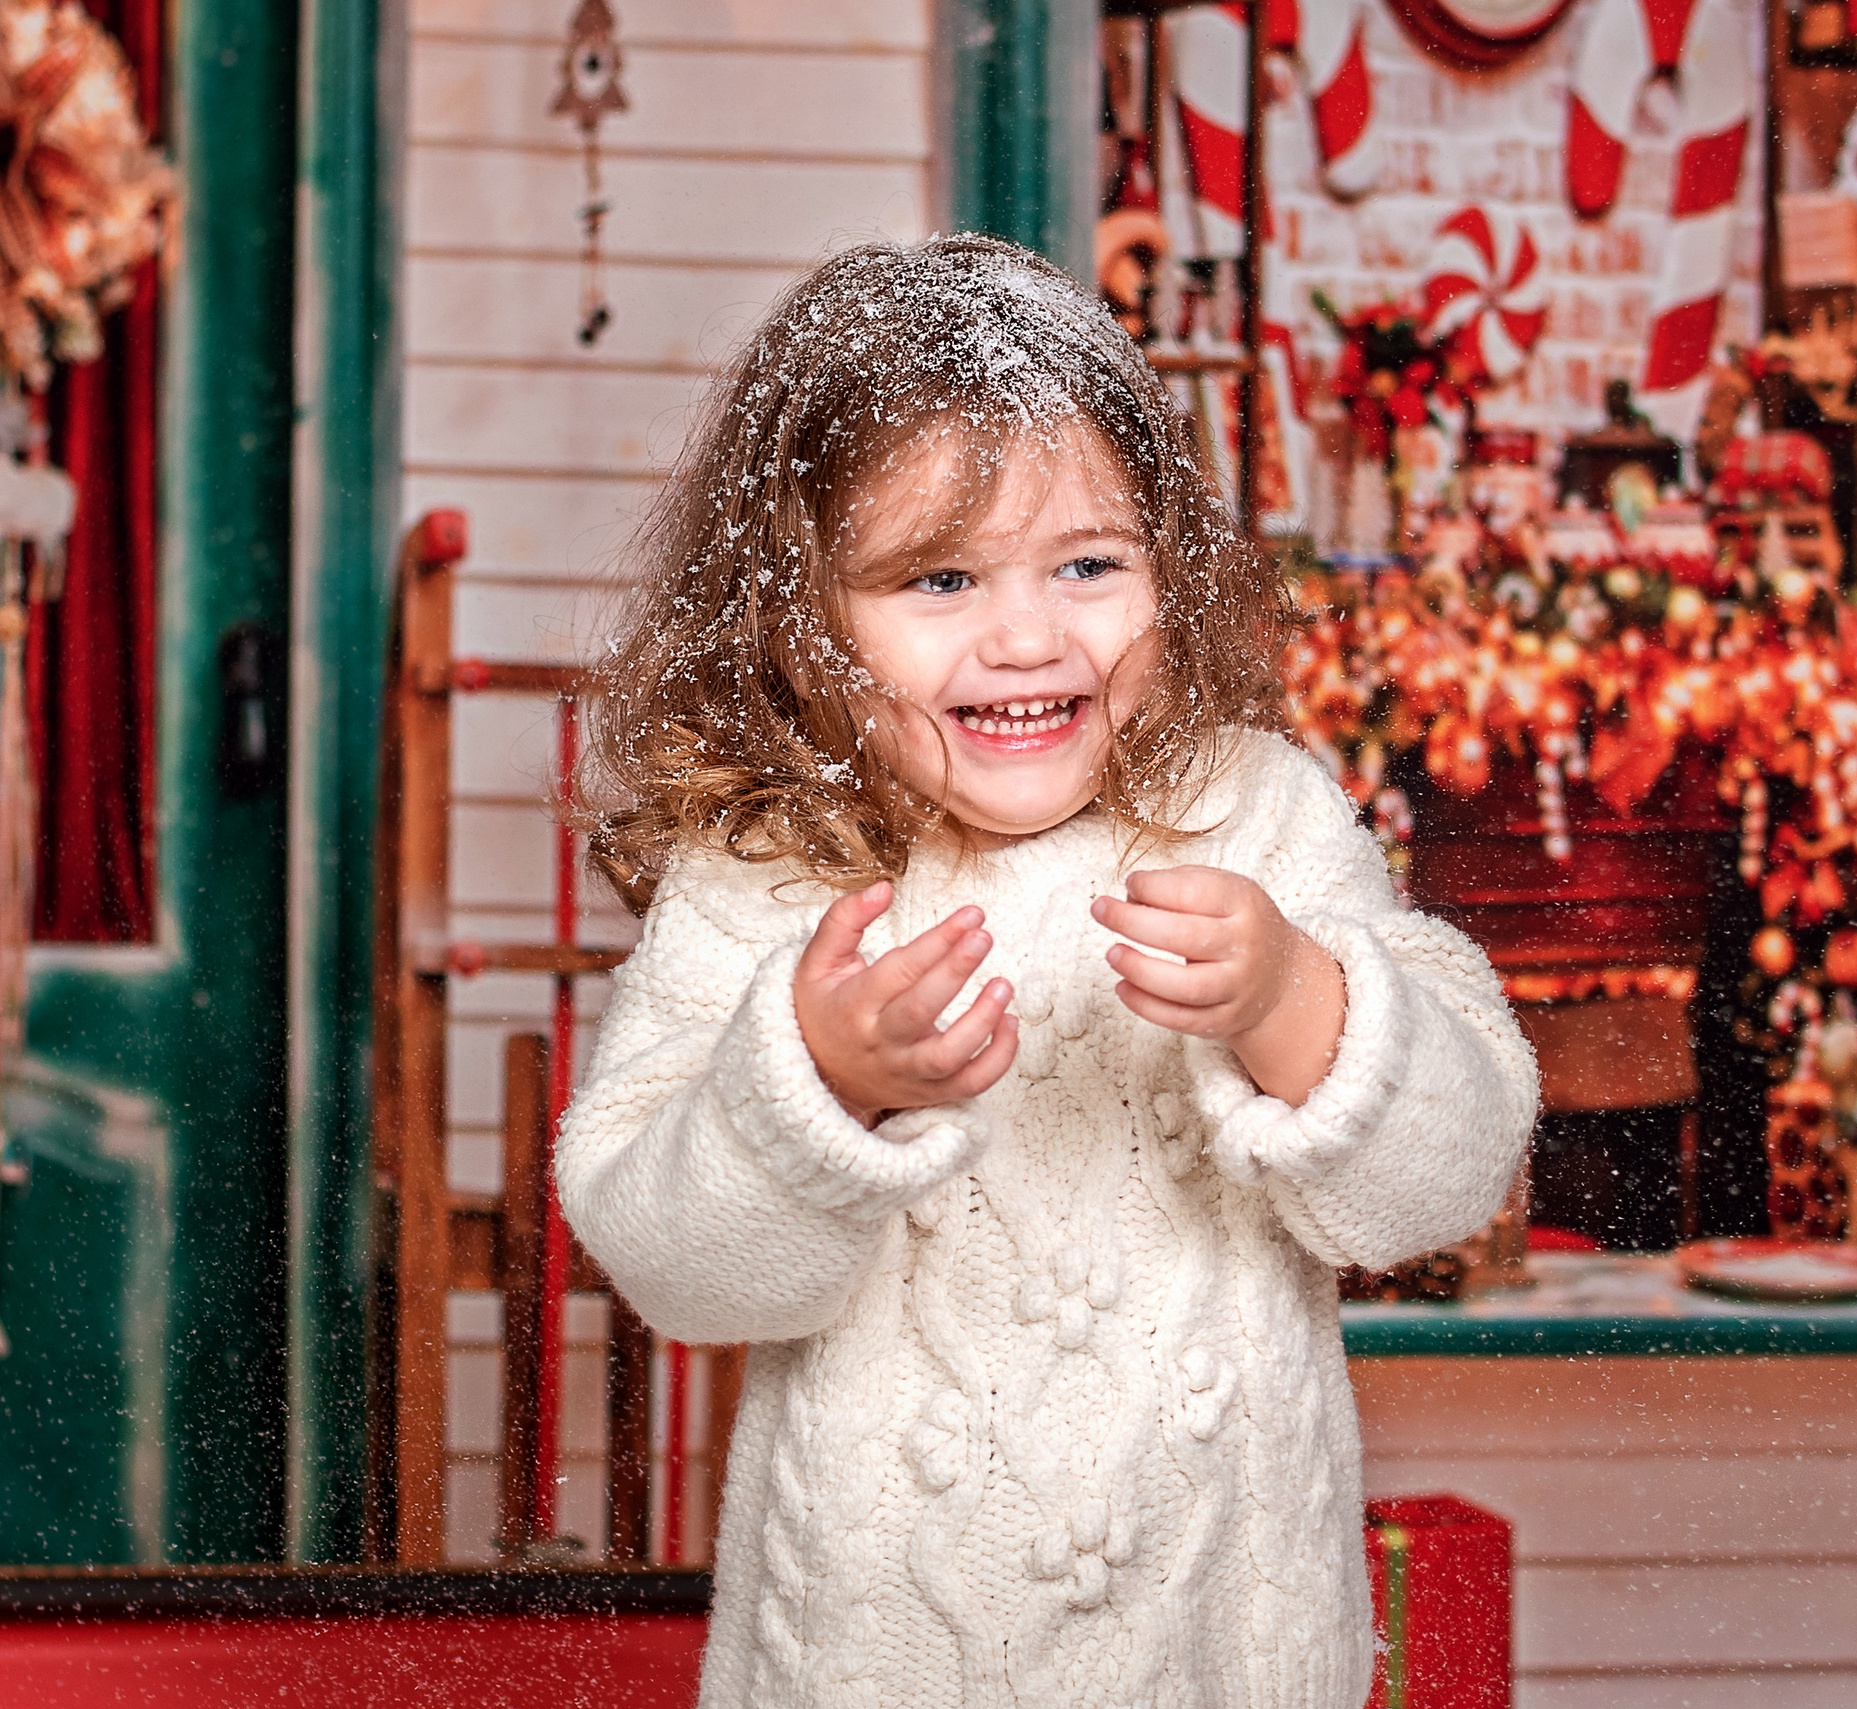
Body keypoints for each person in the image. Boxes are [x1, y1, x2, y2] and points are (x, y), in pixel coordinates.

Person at [557, 235, 1539, 1709]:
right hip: (873, 1669)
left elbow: (1444, 1177)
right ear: (801, 615)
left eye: (1089, 563)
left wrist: (1293, 1002)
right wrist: (814, 1087)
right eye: (939, 578)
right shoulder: (774, 870)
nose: (1029, 634)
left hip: (1233, 1655)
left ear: (1171, 563)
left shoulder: (1251, 811)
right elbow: (676, 1267)